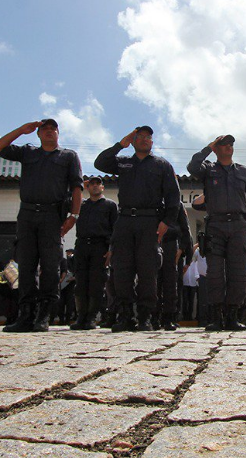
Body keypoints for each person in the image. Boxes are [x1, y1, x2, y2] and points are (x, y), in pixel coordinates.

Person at [0, 119, 83, 333]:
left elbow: (76, 187)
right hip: (27, 214)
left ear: (58, 133)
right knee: (26, 265)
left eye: (53, 129)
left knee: (50, 266)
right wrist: (21, 130)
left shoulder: (68, 156)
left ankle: (44, 316)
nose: (49, 132)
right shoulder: (28, 152)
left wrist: (74, 216)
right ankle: (26, 315)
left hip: (53, 215)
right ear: (38, 134)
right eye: (45, 129)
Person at [95, 126, 181, 332]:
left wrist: (166, 221)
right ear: (132, 141)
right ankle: (125, 315)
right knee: (122, 269)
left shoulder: (162, 165)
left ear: (152, 142)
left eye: (148, 137)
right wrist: (120, 144)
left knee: (147, 270)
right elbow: (100, 163)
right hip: (124, 220)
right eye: (139, 137)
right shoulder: (124, 162)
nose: (144, 140)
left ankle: (145, 316)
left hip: (149, 221)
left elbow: (173, 196)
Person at [188, 135, 246, 331]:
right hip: (216, 226)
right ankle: (216, 317)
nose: (228, 147)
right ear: (217, 149)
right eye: (223, 145)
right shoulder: (208, 170)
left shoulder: (244, 171)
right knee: (215, 273)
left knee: (238, 272)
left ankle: (232, 316)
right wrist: (208, 147)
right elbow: (192, 167)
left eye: (231, 144)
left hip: (238, 226)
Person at [72, 176, 118, 330]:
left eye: (98, 184)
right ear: (87, 187)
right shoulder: (81, 205)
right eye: (91, 184)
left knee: (96, 284)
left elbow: (115, 230)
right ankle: (81, 316)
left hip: (100, 247)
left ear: (102, 187)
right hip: (82, 245)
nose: (95, 186)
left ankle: (91, 317)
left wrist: (111, 249)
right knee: (81, 283)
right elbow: (66, 200)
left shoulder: (110, 206)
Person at [157, 202, 192, 330]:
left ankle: (169, 317)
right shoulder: (153, 200)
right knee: (154, 281)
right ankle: (154, 316)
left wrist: (182, 248)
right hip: (155, 242)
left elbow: (185, 228)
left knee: (170, 283)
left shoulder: (177, 204)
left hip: (171, 244)